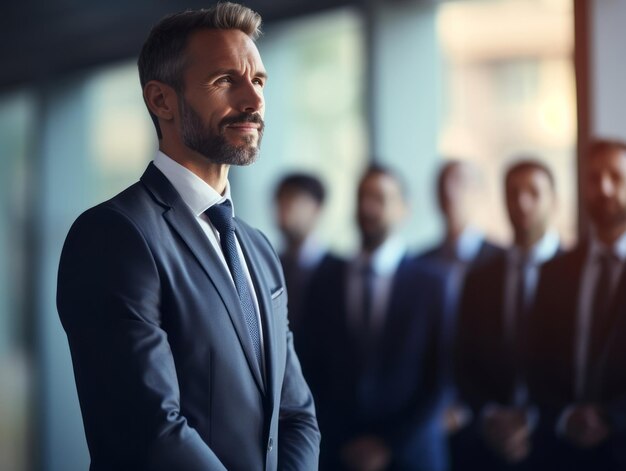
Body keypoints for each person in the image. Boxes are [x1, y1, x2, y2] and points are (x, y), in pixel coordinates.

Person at [56, 4, 320, 470]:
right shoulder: (114, 235)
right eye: (225, 81)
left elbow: (296, 415)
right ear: (161, 101)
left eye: (258, 81)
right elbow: (150, 427)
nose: (253, 101)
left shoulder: (258, 249)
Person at [303, 164, 447, 471]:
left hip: (411, 455)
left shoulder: (432, 283)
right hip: (339, 453)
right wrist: (343, 440)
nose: (368, 207)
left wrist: (387, 445)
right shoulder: (325, 278)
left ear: (404, 209)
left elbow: (442, 377)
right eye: (362, 197)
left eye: (380, 198)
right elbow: (308, 367)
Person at [454, 159, 560, 470]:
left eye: (533, 192)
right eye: (512, 193)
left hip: (557, 442)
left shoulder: (577, 274)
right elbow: (463, 358)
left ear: (554, 200)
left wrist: (534, 418)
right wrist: (489, 415)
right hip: (488, 441)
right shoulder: (480, 276)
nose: (522, 202)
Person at [528, 139, 626, 470]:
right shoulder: (555, 270)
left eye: (616, 176)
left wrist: (611, 417)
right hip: (563, 450)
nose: (605, 188)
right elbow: (537, 359)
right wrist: (566, 415)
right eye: (594, 178)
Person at [416, 160, 504, 454]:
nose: (450, 192)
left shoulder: (502, 262)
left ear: (480, 193)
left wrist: (470, 407)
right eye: (443, 184)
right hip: (425, 411)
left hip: (486, 414)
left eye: (461, 183)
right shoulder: (419, 263)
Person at [273, 172, 341, 342]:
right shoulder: (269, 264)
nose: (285, 209)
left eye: (294, 200)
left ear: (317, 208)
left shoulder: (340, 272)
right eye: (280, 200)